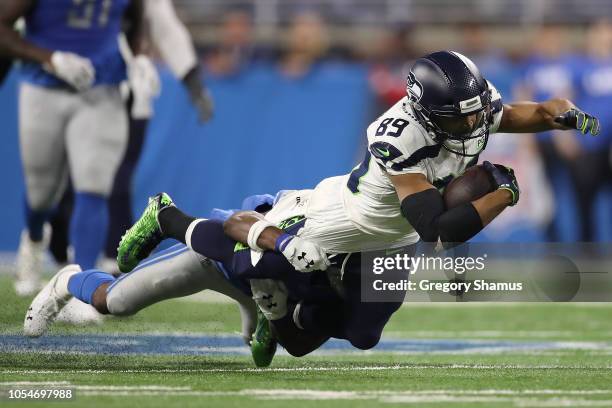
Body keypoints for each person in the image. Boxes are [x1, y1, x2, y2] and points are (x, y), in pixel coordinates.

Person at [25, 50, 600, 365]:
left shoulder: (467, 108)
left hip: (385, 243)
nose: (476, 123)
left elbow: (516, 113)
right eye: (464, 116)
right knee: (127, 297)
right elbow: (436, 226)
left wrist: (559, 113)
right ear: (427, 115)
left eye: (478, 111)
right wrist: (506, 192)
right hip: (335, 224)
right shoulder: (399, 137)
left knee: (347, 336)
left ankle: (258, 303)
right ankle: (161, 223)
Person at [0, 0, 145, 296]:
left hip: (102, 87)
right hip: (44, 87)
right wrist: (49, 57)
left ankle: (83, 285)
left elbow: (136, 18)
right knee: (41, 193)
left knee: (94, 185)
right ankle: (35, 239)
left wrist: (137, 59)